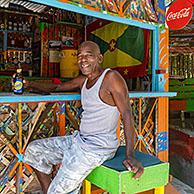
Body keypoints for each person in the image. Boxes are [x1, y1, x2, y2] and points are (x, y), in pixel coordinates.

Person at [24, 41, 144, 194]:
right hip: (79, 140)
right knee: (34, 150)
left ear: (99, 58)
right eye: (80, 56)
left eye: (89, 55)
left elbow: (127, 114)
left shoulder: (111, 78)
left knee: (58, 190)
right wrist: (30, 84)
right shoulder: (83, 80)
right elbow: (57, 87)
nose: (83, 59)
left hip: (97, 149)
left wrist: (130, 155)